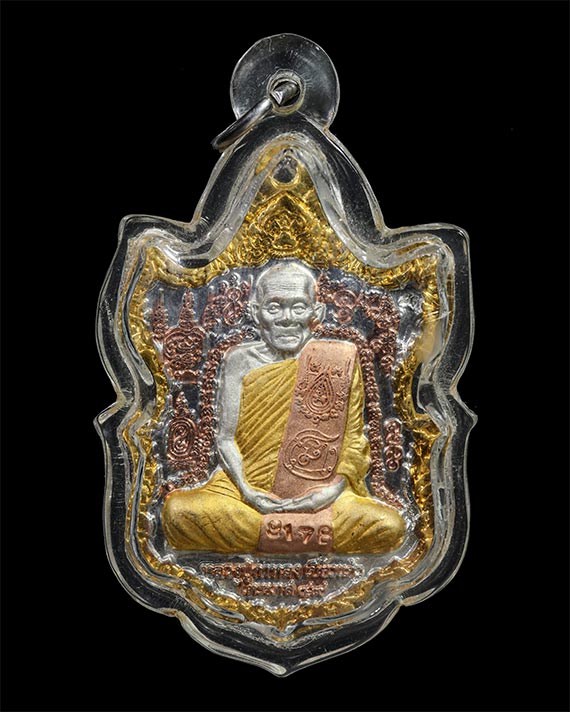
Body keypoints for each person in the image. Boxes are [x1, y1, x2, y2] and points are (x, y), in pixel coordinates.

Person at [162, 262, 405, 554]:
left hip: (324, 495)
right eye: (274, 307)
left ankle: (268, 533)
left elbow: (353, 444)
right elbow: (225, 439)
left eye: (298, 307)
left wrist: (327, 494)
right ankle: (303, 532)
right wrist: (248, 492)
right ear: (256, 313)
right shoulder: (238, 361)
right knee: (178, 513)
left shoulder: (338, 360)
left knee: (388, 525)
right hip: (242, 492)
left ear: (316, 313)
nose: (287, 319)